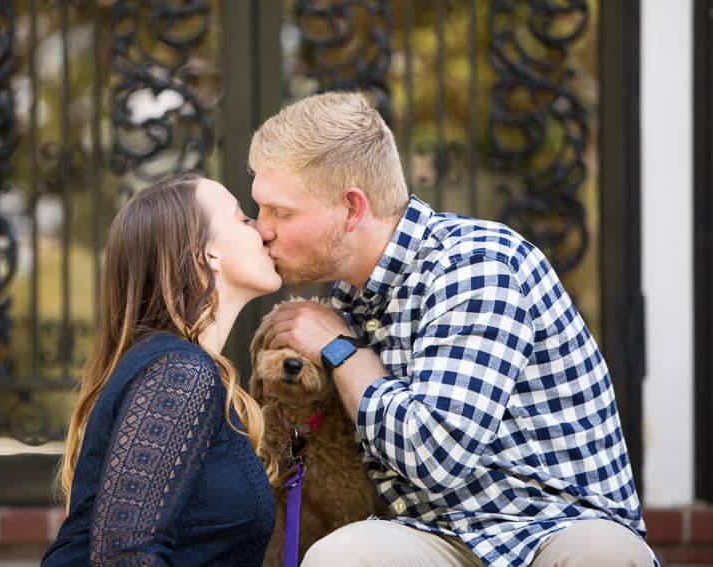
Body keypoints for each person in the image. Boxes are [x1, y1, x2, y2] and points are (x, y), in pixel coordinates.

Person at [249, 91, 656, 567]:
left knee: (602, 555)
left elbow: (435, 456)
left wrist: (341, 349)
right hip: (434, 535)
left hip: (552, 527)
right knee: (342, 556)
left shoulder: (474, 267)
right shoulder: (347, 299)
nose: (262, 229)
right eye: (260, 210)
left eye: (281, 212)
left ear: (352, 208)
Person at [41, 173, 281, 566]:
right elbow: (127, 557)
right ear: (209, 253)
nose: (263, 229)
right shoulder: (180, 372)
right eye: (242, 219)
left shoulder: (178, 368)